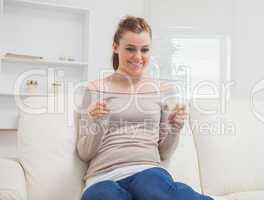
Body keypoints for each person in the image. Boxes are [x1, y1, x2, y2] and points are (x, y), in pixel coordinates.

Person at [77, 15, 214, 200]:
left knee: (153, 189)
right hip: (102, 176)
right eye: (130, 49)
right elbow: (85, 153)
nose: (138, 57)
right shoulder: (94, 89)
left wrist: (175, 128)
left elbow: (164, 152)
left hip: (147, 170)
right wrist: (98, 122)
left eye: (145, 50)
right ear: (115, 47)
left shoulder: (163, 90)